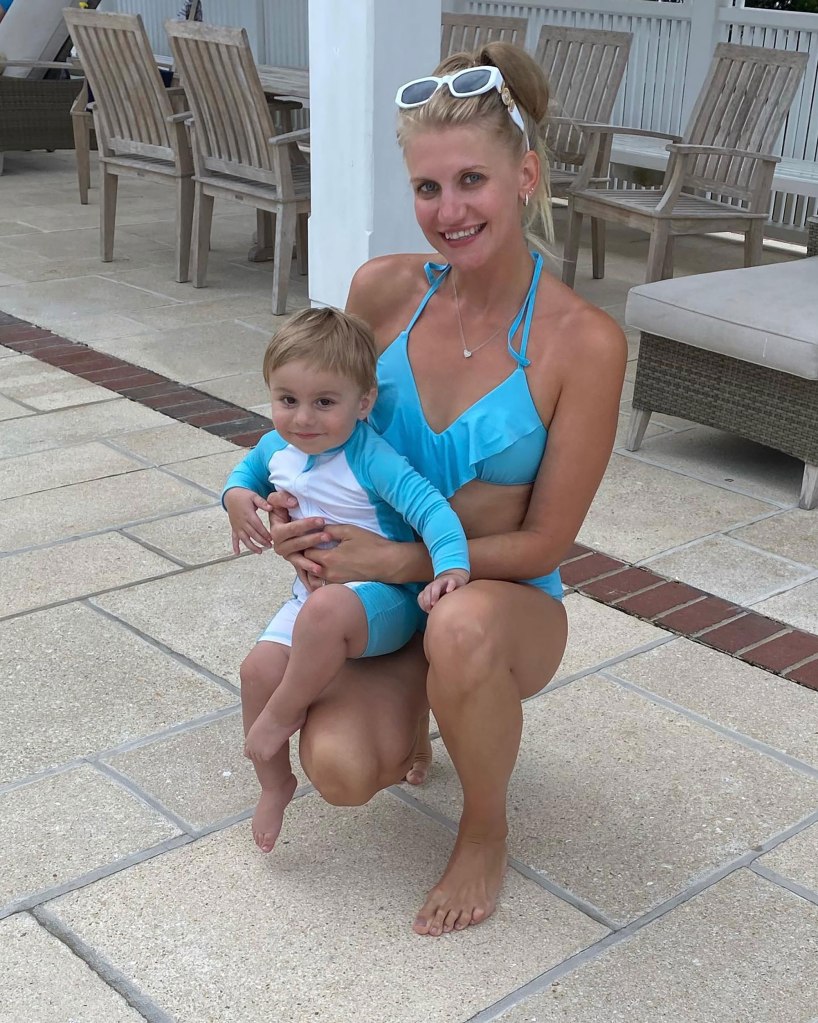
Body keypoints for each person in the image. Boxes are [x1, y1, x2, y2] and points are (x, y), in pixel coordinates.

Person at [247, 42, 627, 937]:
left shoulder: (584, 342)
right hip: (386, 595)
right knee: (339, 771)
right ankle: (417, 714)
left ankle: (485, 828)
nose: (448, 212)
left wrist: (397, 554)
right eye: (427, 189)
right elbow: (317, 423)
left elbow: (545, 543)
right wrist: (285, 508)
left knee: (460, 626)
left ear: (525, 175)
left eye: (472, 181)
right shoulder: (384, 291)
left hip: (502, 601)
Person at [223, 307, 470, 853]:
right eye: (287, 400)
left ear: (363, 404)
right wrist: (237, 499)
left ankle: (284, 715)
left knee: (326, 613)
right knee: (256, 669)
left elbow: (433, 510)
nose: (303, 419)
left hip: (382, 603)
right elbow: (245, 474)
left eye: (324, 402)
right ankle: (274, 781)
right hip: (314, 597)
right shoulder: (277, 448)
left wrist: (451, 567)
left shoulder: (372, 458)